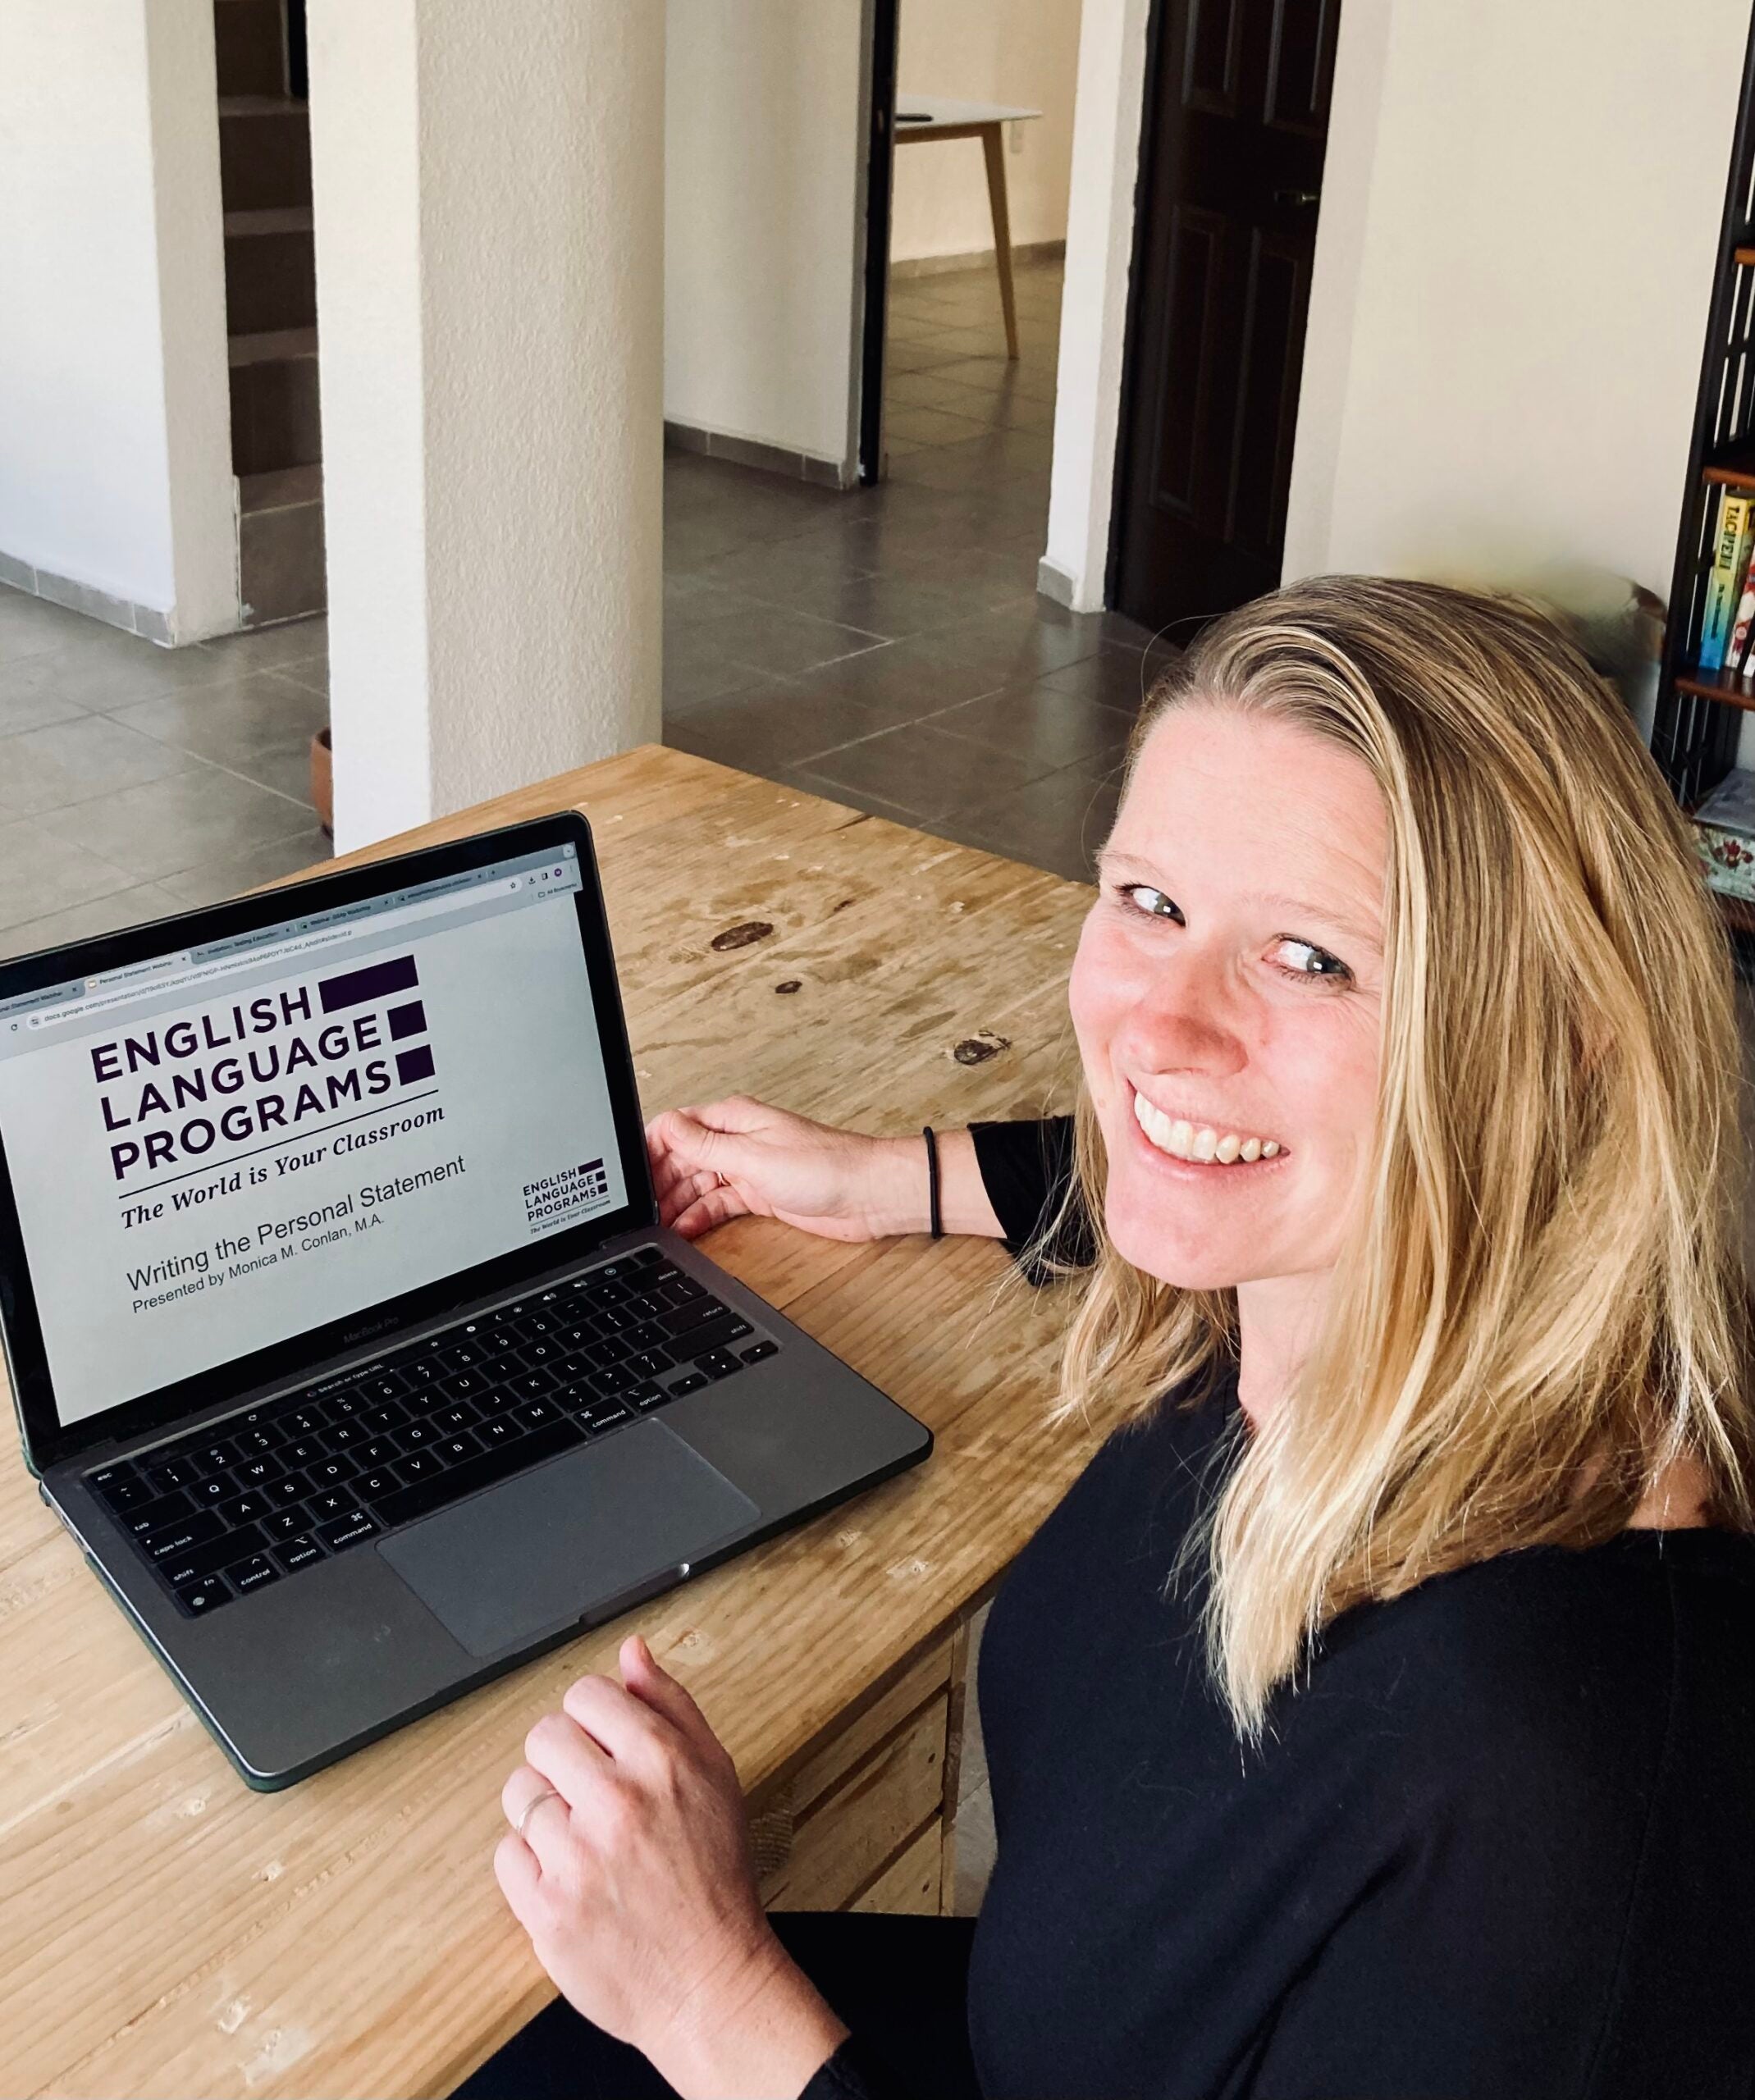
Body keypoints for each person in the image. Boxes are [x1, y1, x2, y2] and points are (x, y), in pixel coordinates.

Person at [460, 577, 1755, 2100]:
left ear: (1560, 1039)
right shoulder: (1331, 1297)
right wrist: (890, 1180)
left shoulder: (1549, 1785)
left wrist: (713, 2002)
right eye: (1149, 903)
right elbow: (1175, 1146)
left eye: (1313, 958)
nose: (1159, 1025)